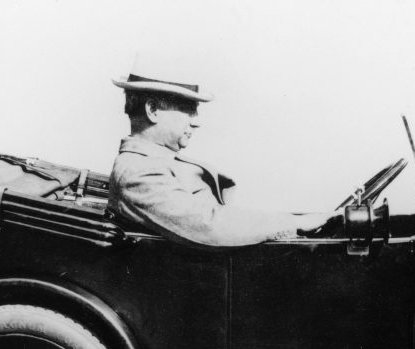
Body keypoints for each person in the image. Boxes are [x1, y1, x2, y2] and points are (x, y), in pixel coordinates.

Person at [108, 60, 338, 246]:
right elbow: (208, 224)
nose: (196, 123)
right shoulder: (139, 171)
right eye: (189, 110)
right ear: (153, 110)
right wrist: (293, 223)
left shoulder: (155, 162)